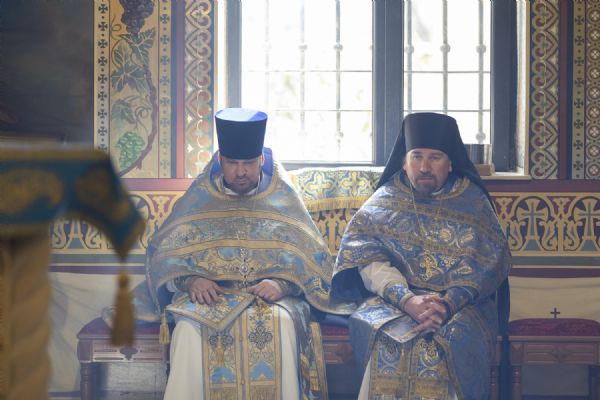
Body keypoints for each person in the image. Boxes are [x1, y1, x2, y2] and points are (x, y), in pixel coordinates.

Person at [119, 108, 343, 399]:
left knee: (283, 324)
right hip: (210, 299)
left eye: (248, 163)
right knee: (187, 330)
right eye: (233, 163)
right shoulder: (199, 200)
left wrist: (282, 284)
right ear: (220, 161)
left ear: (260, 160)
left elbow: (314, 264)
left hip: (270, 301)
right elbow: (162, 256)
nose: (240, 172)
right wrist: (190, 280)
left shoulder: (284, 201)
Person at [331, 112, 511, 400]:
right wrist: (407, 300)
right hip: (394, 301)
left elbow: (488, 266)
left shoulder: (474, 203)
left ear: (450, 163)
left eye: (434, 158)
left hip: (459, 306)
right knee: (386, 337)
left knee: (446, 340)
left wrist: (447, 305)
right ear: (404, 161)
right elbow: (368, 260)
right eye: (416, 157)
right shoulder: (384, 201)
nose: (424, 167)